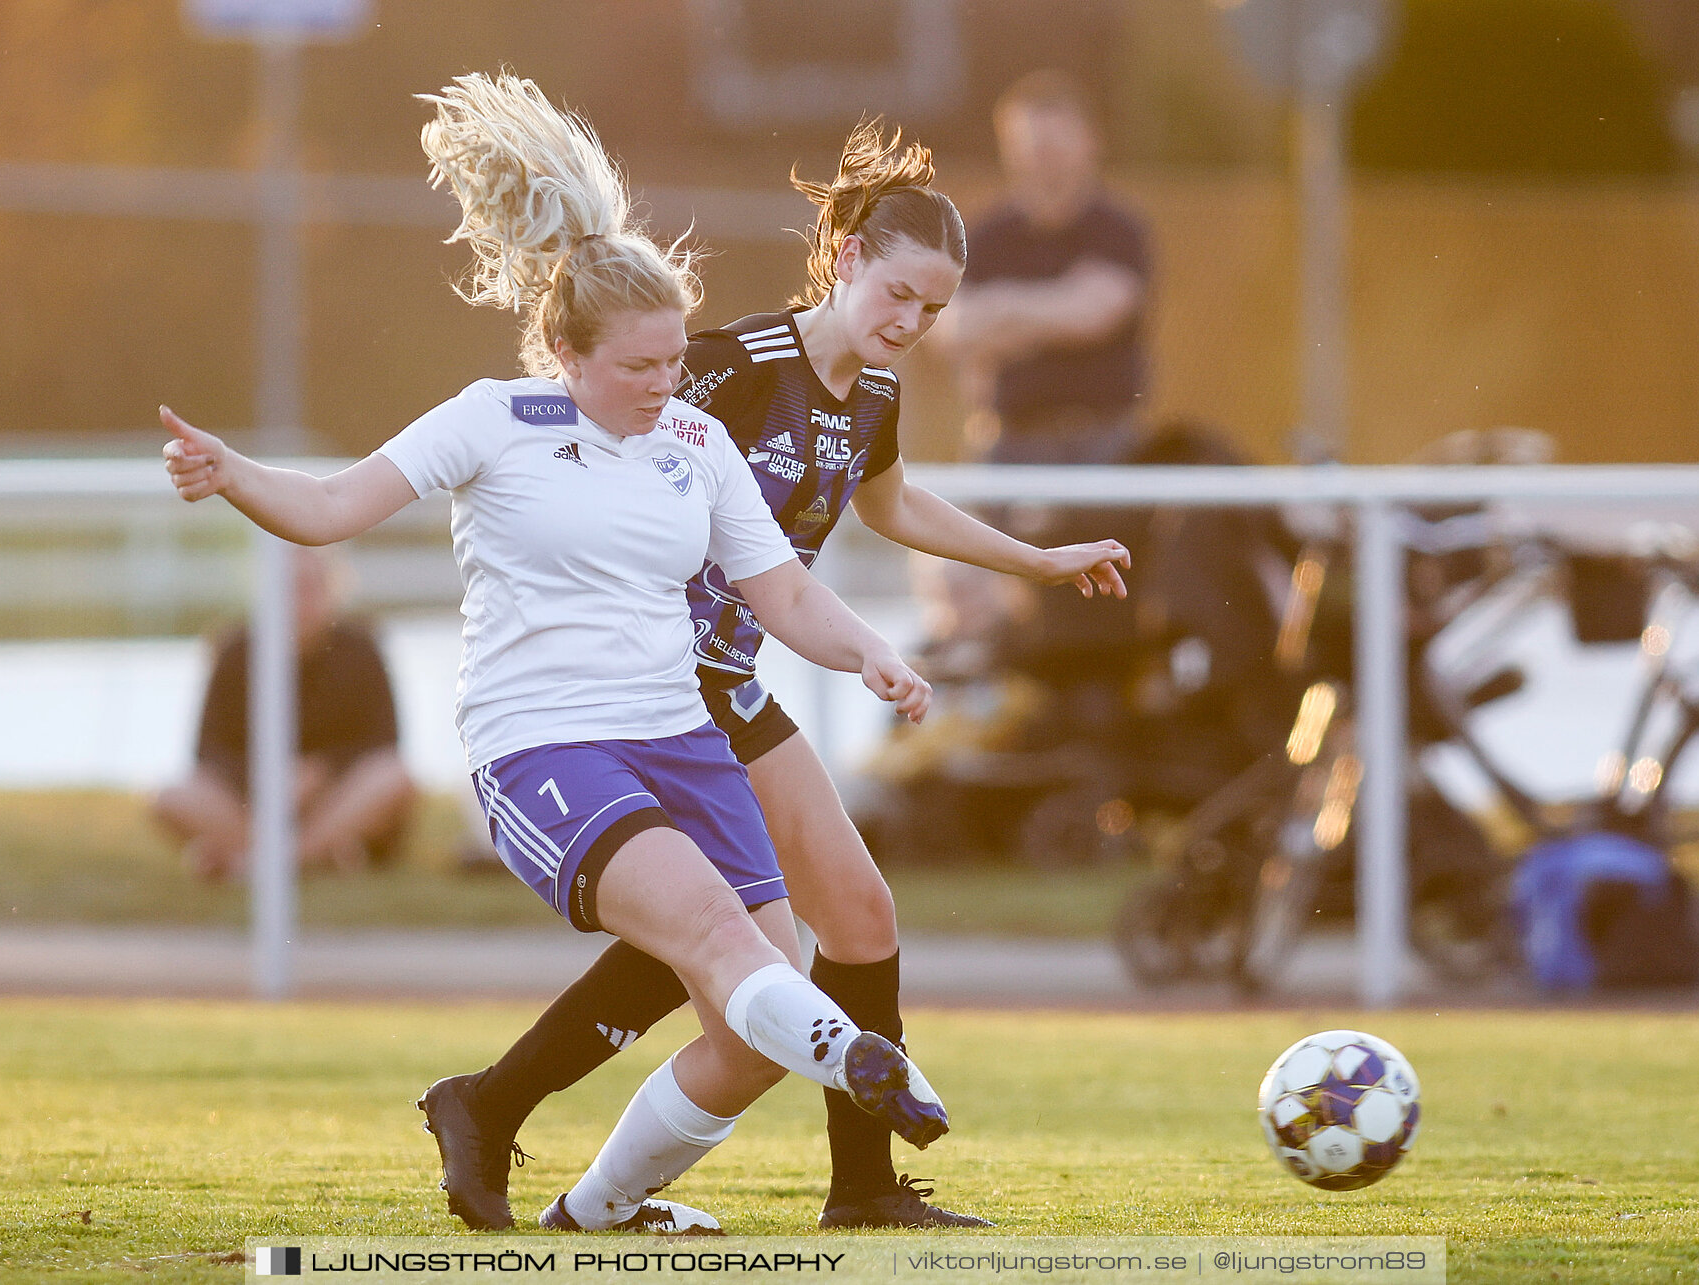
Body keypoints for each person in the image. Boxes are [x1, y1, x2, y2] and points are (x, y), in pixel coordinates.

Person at [159, 72, 951, 1237]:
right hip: (547, 745)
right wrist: (232, 475)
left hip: (680, 734)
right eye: (639, 366)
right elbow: (330, 507)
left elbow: (779, 587)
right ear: (566, 353)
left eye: (676, 361)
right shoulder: (493, 418)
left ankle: (593, 1209)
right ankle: (863, 1058)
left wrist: (871, 651)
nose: (666, 386)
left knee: (744, 1039)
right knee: (732, 947)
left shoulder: (691, 440)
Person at [416, 121, 1131, 1232]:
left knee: (847, 917)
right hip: (651, 688)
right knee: (743, 943)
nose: (911, 324)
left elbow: (892, 507)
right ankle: (502, 1109)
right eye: (898, 294)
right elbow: (595, 413)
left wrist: (1035, 559)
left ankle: (850, 1188)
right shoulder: (732, 366)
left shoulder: (877, 397)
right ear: (845, 260)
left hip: (733, 682)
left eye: (934, 311)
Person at [150, 544, 416, 880]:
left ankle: (259, 863)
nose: (301, 599)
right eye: (290, 585)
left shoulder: (362, 645)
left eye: (310, 586)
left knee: (392, 778)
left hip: (338, 798)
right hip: (253, 803)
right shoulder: (234, 647)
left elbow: (385, 741)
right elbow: (208, 750)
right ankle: (317, 857)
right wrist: (265, 778)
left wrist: (321, 772)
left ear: (333, 586)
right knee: (171, 796)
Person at [942, 68, 1153, 465]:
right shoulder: (983, 235)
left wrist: (1001, 312)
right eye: (1031, 144)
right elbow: (948, 327)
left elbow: (1095, 315)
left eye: (1055, 142)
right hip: (1008, 444)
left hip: (1106, 446)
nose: (1043, 156)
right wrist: (1054, 308)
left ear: (1090, 141)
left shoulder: (1118, 229)